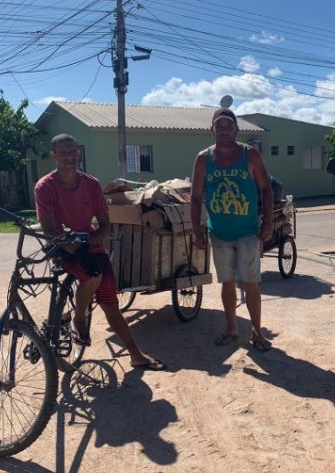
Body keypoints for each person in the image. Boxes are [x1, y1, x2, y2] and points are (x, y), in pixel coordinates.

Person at [35, 133, 161, 369]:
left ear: (79, 153)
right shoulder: (45, 187)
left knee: (109, 301)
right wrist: (74, 249)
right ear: (54, 156)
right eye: (63, 152)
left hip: (89, 244)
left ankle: (136, 354)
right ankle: (79, 318)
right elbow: (50, 230)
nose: (69, 156)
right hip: (62, 246)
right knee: (93, 275)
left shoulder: (91, 184)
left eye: (73, 151)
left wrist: (89, 242)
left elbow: (105, 225)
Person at [190, 108, 274, 351]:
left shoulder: (250, 155)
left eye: (229, 126)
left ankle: (257, 332)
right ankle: (232, 328)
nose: (224, 130)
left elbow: (266, 189)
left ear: (236, 129)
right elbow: (195, 197)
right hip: (219, 233)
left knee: (250, 284)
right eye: (220, 126)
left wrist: (267, 222)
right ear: (212, 129)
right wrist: (197, 230)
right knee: (226, 283)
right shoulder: (203, 159)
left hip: (247, 232)